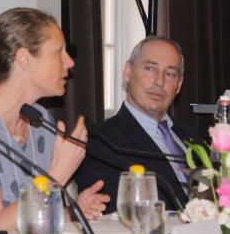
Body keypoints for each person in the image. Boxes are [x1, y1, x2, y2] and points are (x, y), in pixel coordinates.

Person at [0, 7, 109, 234]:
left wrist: (72, 213)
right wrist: (58, 173)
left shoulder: (40, 121)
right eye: (59, 52)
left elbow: (32, 219)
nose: (69, 62)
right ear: (24, 59)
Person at [75, 35, 199, 212]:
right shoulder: (102, 143)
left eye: (170, 74)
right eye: (150, 69)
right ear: (128, 72)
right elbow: (116, 213)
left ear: (178, 85)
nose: (159, 81)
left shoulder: (190, 135)